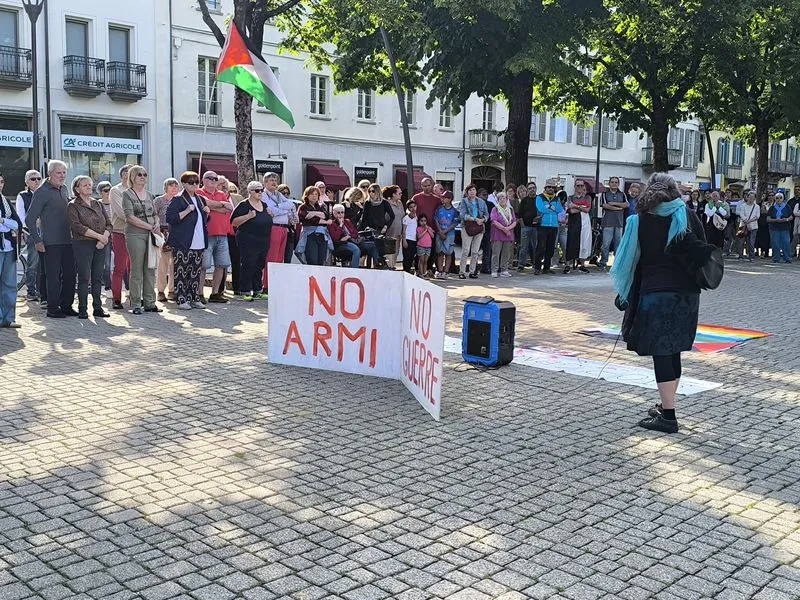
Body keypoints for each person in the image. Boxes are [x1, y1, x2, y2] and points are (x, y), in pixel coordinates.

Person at [611, 172, 709, 434]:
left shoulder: (640, 220)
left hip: (655, 294)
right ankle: (667, 405)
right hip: (687, 294)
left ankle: (668, 416)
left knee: (662, 353)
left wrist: (624, 293)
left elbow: (628, 261)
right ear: (675, 192)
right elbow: (703, 251)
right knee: (673, 350)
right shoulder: (688, 216)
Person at [25, 160, 77, 318]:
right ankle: (53, 308)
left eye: (64, 172)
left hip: (68, 240)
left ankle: (66, 306)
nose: (62, 175)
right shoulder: (41, 192)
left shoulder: (64, 189)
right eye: (58, 173)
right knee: (53, 277)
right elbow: (29, 219)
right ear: (49, 173)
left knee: (70, 275)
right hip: (51, 242)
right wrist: (37, 240)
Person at [66, 175, 111, 319]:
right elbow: (77, 226)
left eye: (90, 184)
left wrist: (104, 238)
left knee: (97, 277)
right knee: (84, 277)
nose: (88, 187)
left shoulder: (97, 204)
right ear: (77, 188)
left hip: (100, 244)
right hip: (83, 244)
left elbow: (109, 223)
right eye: (85, 185)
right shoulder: (73, 205)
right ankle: (82, 309)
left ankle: (98, 308)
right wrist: (99, 237)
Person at [165, 171, 210, 310]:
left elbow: (202, 221)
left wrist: (207, 213)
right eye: (191, 182)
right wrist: (186, 211)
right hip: (183, 242)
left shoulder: (200, 199)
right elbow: (170, 218)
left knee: (195, 272)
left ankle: (194, 298)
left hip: (199, 241)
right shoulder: (178, 199)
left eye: (196, 182)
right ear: (184, 184)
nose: (194, 185)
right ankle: (181, 298)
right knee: (181, 272)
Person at [122, 165, 161, 315]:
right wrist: (149, 226)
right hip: (135, 234)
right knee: (137, 269)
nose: (143, 177)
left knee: (150, 268)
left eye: (145, 174)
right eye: (139, 174)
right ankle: (136, 303)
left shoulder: (150, 195)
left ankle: (150, 302)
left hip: (151, 234)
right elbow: (130, 217)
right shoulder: (127, 194)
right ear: (132, 177)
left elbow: (155, 213)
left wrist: (156, 223)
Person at [231, 181, 273, 300]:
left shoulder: (264, 205)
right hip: (248, 239)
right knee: (248, 264)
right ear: (250, 192)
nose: (260, 192)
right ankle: (245, 290)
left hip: (263, 239)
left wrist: (271, 215)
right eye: (257, 190)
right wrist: (248, 216)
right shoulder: (244, 205)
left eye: (261, 190)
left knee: (259, 264)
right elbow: (233, 221)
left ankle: (257, 290)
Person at [196, 171, 233, 303]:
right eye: (210, 178)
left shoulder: (221, 193)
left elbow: (229, 208)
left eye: (215, 179)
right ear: (203, 180)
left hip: (222, 233)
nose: (213, 180)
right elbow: (203, 203)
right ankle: (199, 293)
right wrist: (221, 204)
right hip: (206, 234)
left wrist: (211, 206)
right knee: (203, 266)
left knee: (221, 265)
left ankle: (215, 293)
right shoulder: (198, 192)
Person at [261, 172, 295, 292]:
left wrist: (279, 207)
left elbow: (291, 204)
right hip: (273, 227)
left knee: (280, 258)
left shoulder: (279, 194)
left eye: (276, 180)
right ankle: (266, 285)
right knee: (271, 257)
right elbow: (271, 210)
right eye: (271, 180)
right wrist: (284, 210)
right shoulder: (263, 195)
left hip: (284, 228)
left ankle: (275, 283)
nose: (274, 182)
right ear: (265, 182)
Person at [15, 169, 42, 301]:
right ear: (27, 182)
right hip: (32, 232)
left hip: (47, 230)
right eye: (33, 179)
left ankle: (42, 291)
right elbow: (21, 216)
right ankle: (31, 291)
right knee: (33, 262)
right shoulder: (23, 196)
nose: (36, 181)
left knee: (45, 263)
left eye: (38, 178)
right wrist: (28, 229)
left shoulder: (44, 193)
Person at [109, 164, 133, 310]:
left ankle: (135, 296)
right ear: (122, 174)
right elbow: (120, 212)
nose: (129, 173)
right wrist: (139, 220)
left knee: (135, 267)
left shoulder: (138, 190)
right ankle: (116, 298)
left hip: (137, 232)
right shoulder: (116, 190)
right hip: (120, 232)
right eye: (127, 171)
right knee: (120, 267)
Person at [0, 174, 22, 328]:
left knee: (9, 284)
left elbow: (17, 224)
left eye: (1, 181)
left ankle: (8, 318)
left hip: (9, 248)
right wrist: (8, 225)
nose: (0, 184)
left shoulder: (6, 201)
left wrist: (3, 221)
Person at [329, 203, 380, 268]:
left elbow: (355, 233)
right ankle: (355, 270)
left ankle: (378, 266)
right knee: (356, 249)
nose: (341, 214)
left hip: (353, 241)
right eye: (338, 213)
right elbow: (335, 237)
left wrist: (349, 236)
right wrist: (340, 226)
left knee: (372, 245)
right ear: (334, 213)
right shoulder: (332, 224)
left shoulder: (347, 221)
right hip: (341, 244)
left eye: (342, 212)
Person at [154, 178, 180, 303]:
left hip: (177, 233)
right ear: (166, 187)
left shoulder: (180, 200)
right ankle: (160, 291)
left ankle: (172, 290)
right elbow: (154, 215)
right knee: (162, 264)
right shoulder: (159, 200)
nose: (174, 188)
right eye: (171, 185)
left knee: (175, 264)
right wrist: (158, 232)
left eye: (176, 186)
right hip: (163, 232)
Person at [411, 177, 441, 275]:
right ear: (421, 186)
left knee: (431, 250)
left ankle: (428, 269)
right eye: (424, 186)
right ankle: (417, 269)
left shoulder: (437, 199)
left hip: (432, 228)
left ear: (432, 185)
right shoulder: (416, 198)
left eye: (428, 185)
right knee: (419, 250)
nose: (427, 187)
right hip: (419, 229)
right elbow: (411, 209)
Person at [216, 176, 240, 296]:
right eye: (220, 184)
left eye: (225, 183)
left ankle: (238, 288)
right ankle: (220, 289)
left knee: (237, 260)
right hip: (220, 232)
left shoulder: (237, 198)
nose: (224, 186)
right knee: (221, 262)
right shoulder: (215, 198)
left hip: (235, 233)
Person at [458, 183, 488, 279]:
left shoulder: (482, 202)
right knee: (466, 250)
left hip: (479, 228)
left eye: (474, 190)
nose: (472, 192)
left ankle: (472, 271)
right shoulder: (464, 201)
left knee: (475, 251)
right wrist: (474, 219)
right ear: (467, 192)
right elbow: (462, 215)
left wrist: (483, 219)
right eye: (470, 190)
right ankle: (462, 272)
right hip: (467, 227)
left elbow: (487, 214)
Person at [598, 176, 628, 270]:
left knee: (618, 244)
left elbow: (626, 204)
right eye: (612, 182)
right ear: (609, 183)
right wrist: (619, 208)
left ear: (618, 184)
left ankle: (617, 263)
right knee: (606, 244)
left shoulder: (622, 194)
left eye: (616, 182)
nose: (614, 184)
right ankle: (603, 262)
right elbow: (605, 205)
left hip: (619, 223)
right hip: (607, 222)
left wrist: (614, 203)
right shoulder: (604, 194)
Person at [297, 186, 332, 266]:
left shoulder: (321, 206)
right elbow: (310, 219)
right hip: (310, 235)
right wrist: (323, 220)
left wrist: (314, 213)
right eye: (312, 194)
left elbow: (326, 216)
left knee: (321, 260)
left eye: (316, 194)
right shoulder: (303, 207)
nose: (314, 196)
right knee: (312, 260)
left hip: (322, 235)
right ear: (307, 195)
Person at [533, 179, 561, 275]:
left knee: (550, 247)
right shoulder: (540, 197)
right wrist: (552, 208)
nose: (550, 189)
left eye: (552, 187)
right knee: (540, 247)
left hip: (554, 225)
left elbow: (559, 209)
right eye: (549, 187)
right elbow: (541, 208)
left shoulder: (557, 198)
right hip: (543, 225)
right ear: (545, 188)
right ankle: (537, 268)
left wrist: (548, 207)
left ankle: (547, 268)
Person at [564, 181, 592, 273]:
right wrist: (582, 207)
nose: (579, 187)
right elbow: (571, 210)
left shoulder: (587, 197)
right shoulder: (570, 197)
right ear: (575, 186)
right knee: (571, 240)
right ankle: (568, 264)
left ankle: (582, 264)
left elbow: (587, 209)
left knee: (584, 241)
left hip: (585, 221)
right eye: (578, 185)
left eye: (581, 185)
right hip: (574, 221)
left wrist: (575, 206)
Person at [490, 191, 516, 278]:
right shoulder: (495, 209)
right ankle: (494, 270)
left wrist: (508, 229)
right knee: (496, 253)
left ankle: (504, 270)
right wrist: (504, 229)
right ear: (498, 200)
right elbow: (494, 221)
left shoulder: (510, 209)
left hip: (508, 234)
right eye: (500, 198)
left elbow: (514, 221)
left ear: (506, 199)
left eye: (504, 198)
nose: (502, 200)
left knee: (506, 253)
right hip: (497, 234)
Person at [433, 192, 459, 279]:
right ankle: (440, 270)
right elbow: (436, 220)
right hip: (439, 233)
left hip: (450, 234)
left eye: (445, 198)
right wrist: (440, 231)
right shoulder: (439, 209)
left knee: (448, 253)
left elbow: (454, 223)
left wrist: (445, 231)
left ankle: (446, 271)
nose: (443, 199)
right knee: (439, 252)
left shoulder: (454, 211)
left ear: (450, 199)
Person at [516, 184, 538, 272]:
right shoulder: (524, 200)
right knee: (523, 247)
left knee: (536, 247)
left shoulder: (539, 199)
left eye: (533, 188)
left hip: (536, 227)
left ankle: (536, 264)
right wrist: (522, 225)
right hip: (526, 227)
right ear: (527, 190)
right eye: (530, 188)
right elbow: (520, 214)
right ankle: (521, 265)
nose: (532, 190)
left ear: (536, 189)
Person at [97, 181, 113, 293]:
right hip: (104, 236)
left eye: (110, 190)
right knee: (106, 264)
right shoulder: (97, 204)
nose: (108, 192)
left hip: (117, 234)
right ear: (100, 192)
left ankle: (127, 286)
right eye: (105, 190)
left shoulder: (115, 202)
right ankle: (108, 287)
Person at [767, 192, 793, 263]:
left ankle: (787, 258)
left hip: (785, 227)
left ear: (783, 198)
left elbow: (791, 216)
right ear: (775, 199)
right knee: (775, 244)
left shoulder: (787, 206)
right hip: (774, 228)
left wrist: (786, 219)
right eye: (777, 198)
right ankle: (776, 258)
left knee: (786, 243)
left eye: (780, 198)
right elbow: (768, 219)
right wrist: (775, 220)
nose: (779, 199)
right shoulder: (772, 208)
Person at [383, 185, 404, 269]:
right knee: (389, 253)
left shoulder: (400, 203)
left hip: (398, 232)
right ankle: (389, 268)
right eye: (399, 193)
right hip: (389, 232)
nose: (401, 194)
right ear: (393, 194)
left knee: (396, 252)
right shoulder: (386, 203)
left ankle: (392, 267)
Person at [736, 191, 759, 262]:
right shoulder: (743, 205)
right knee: (741, 242)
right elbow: (741, 214)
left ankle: (751, 257)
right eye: (750, 197)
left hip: (753, 226)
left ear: (755, 198)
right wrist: (746, 220)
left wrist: (749, 221)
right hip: (743, 225)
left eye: (753, 197)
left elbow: (757, 216)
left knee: (751, 242)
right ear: (747, 197)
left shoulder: (757, 206)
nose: (751, 198)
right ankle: (740, 256)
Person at [401, 201, 418, 273]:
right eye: (411, 207)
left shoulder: (417, 217)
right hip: (407, 239)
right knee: (407, 257)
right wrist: (404, 240)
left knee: (412, 256)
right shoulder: (406, 218)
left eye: (414, 206)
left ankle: (411, 270)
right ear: (408, 209)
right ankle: (406, 271)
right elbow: (404, 230)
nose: (413, 208)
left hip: (414, 239)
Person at [756, 192, 773, 258]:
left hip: (773, 223)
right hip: (763, 223)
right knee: (763, 238)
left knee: (771, 238)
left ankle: (771, 252)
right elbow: (762, 212)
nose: (770, 197)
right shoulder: (763, 204)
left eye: (772, 195)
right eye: (769, 195)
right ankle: (763, 251)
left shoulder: (776, 204)